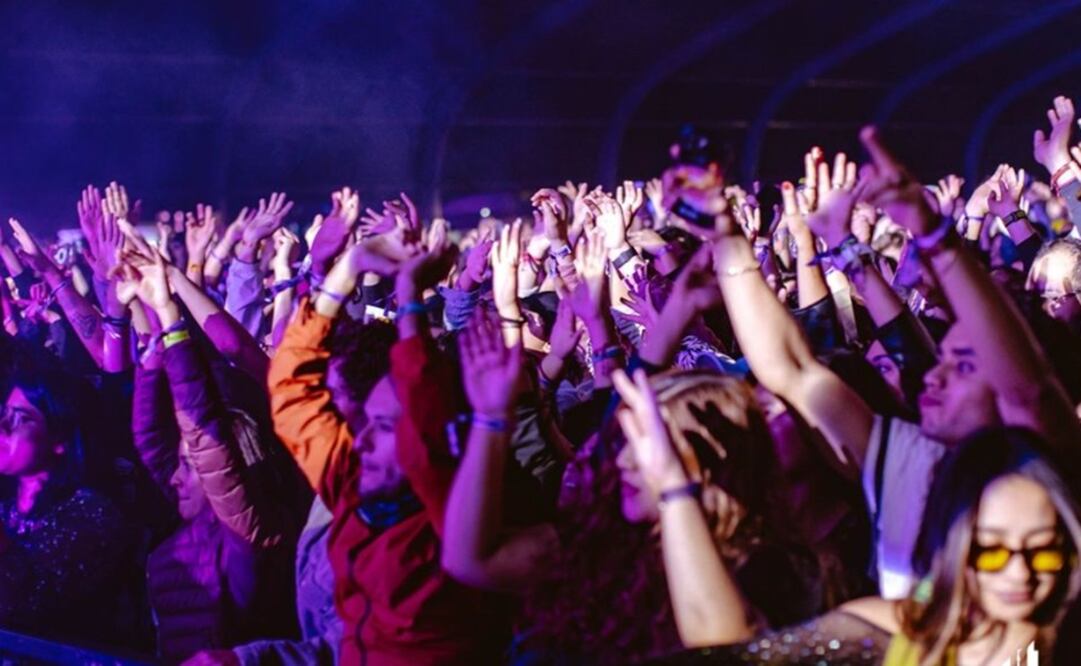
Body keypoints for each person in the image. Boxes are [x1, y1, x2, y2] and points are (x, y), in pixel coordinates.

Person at [0, 350, 129, 646]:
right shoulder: (6, 506)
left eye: (21, 419)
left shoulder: (91, 513)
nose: (3, 428)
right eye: (4, 414)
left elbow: (22, 605)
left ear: (59, 440)